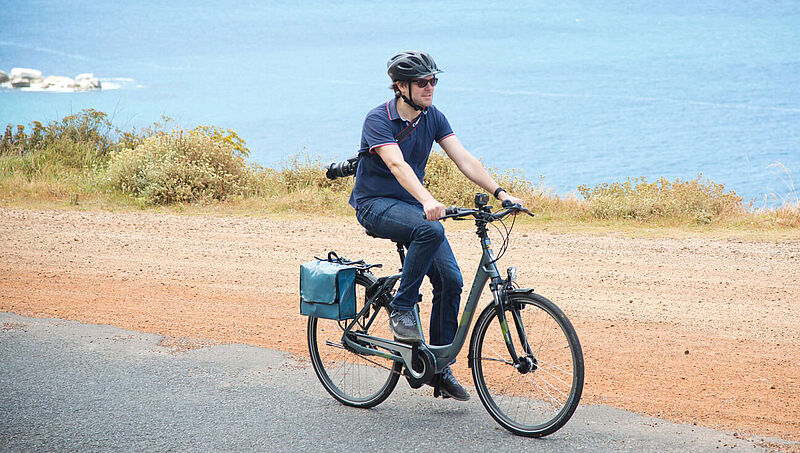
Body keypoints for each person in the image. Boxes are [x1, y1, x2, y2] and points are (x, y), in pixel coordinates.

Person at [348, 51, 523, 401]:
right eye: (422, 82)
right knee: (431, 229)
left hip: (411, 207)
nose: (430, 88)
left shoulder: (432, 117)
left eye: (434, 81)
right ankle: (401, 309)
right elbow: (397, 165)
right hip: (375, 205)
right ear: (401, 87)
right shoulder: (378, 119)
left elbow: (464, 159)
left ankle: (438, 370)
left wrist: (501, 193)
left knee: (451, 281)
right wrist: (428, 200)